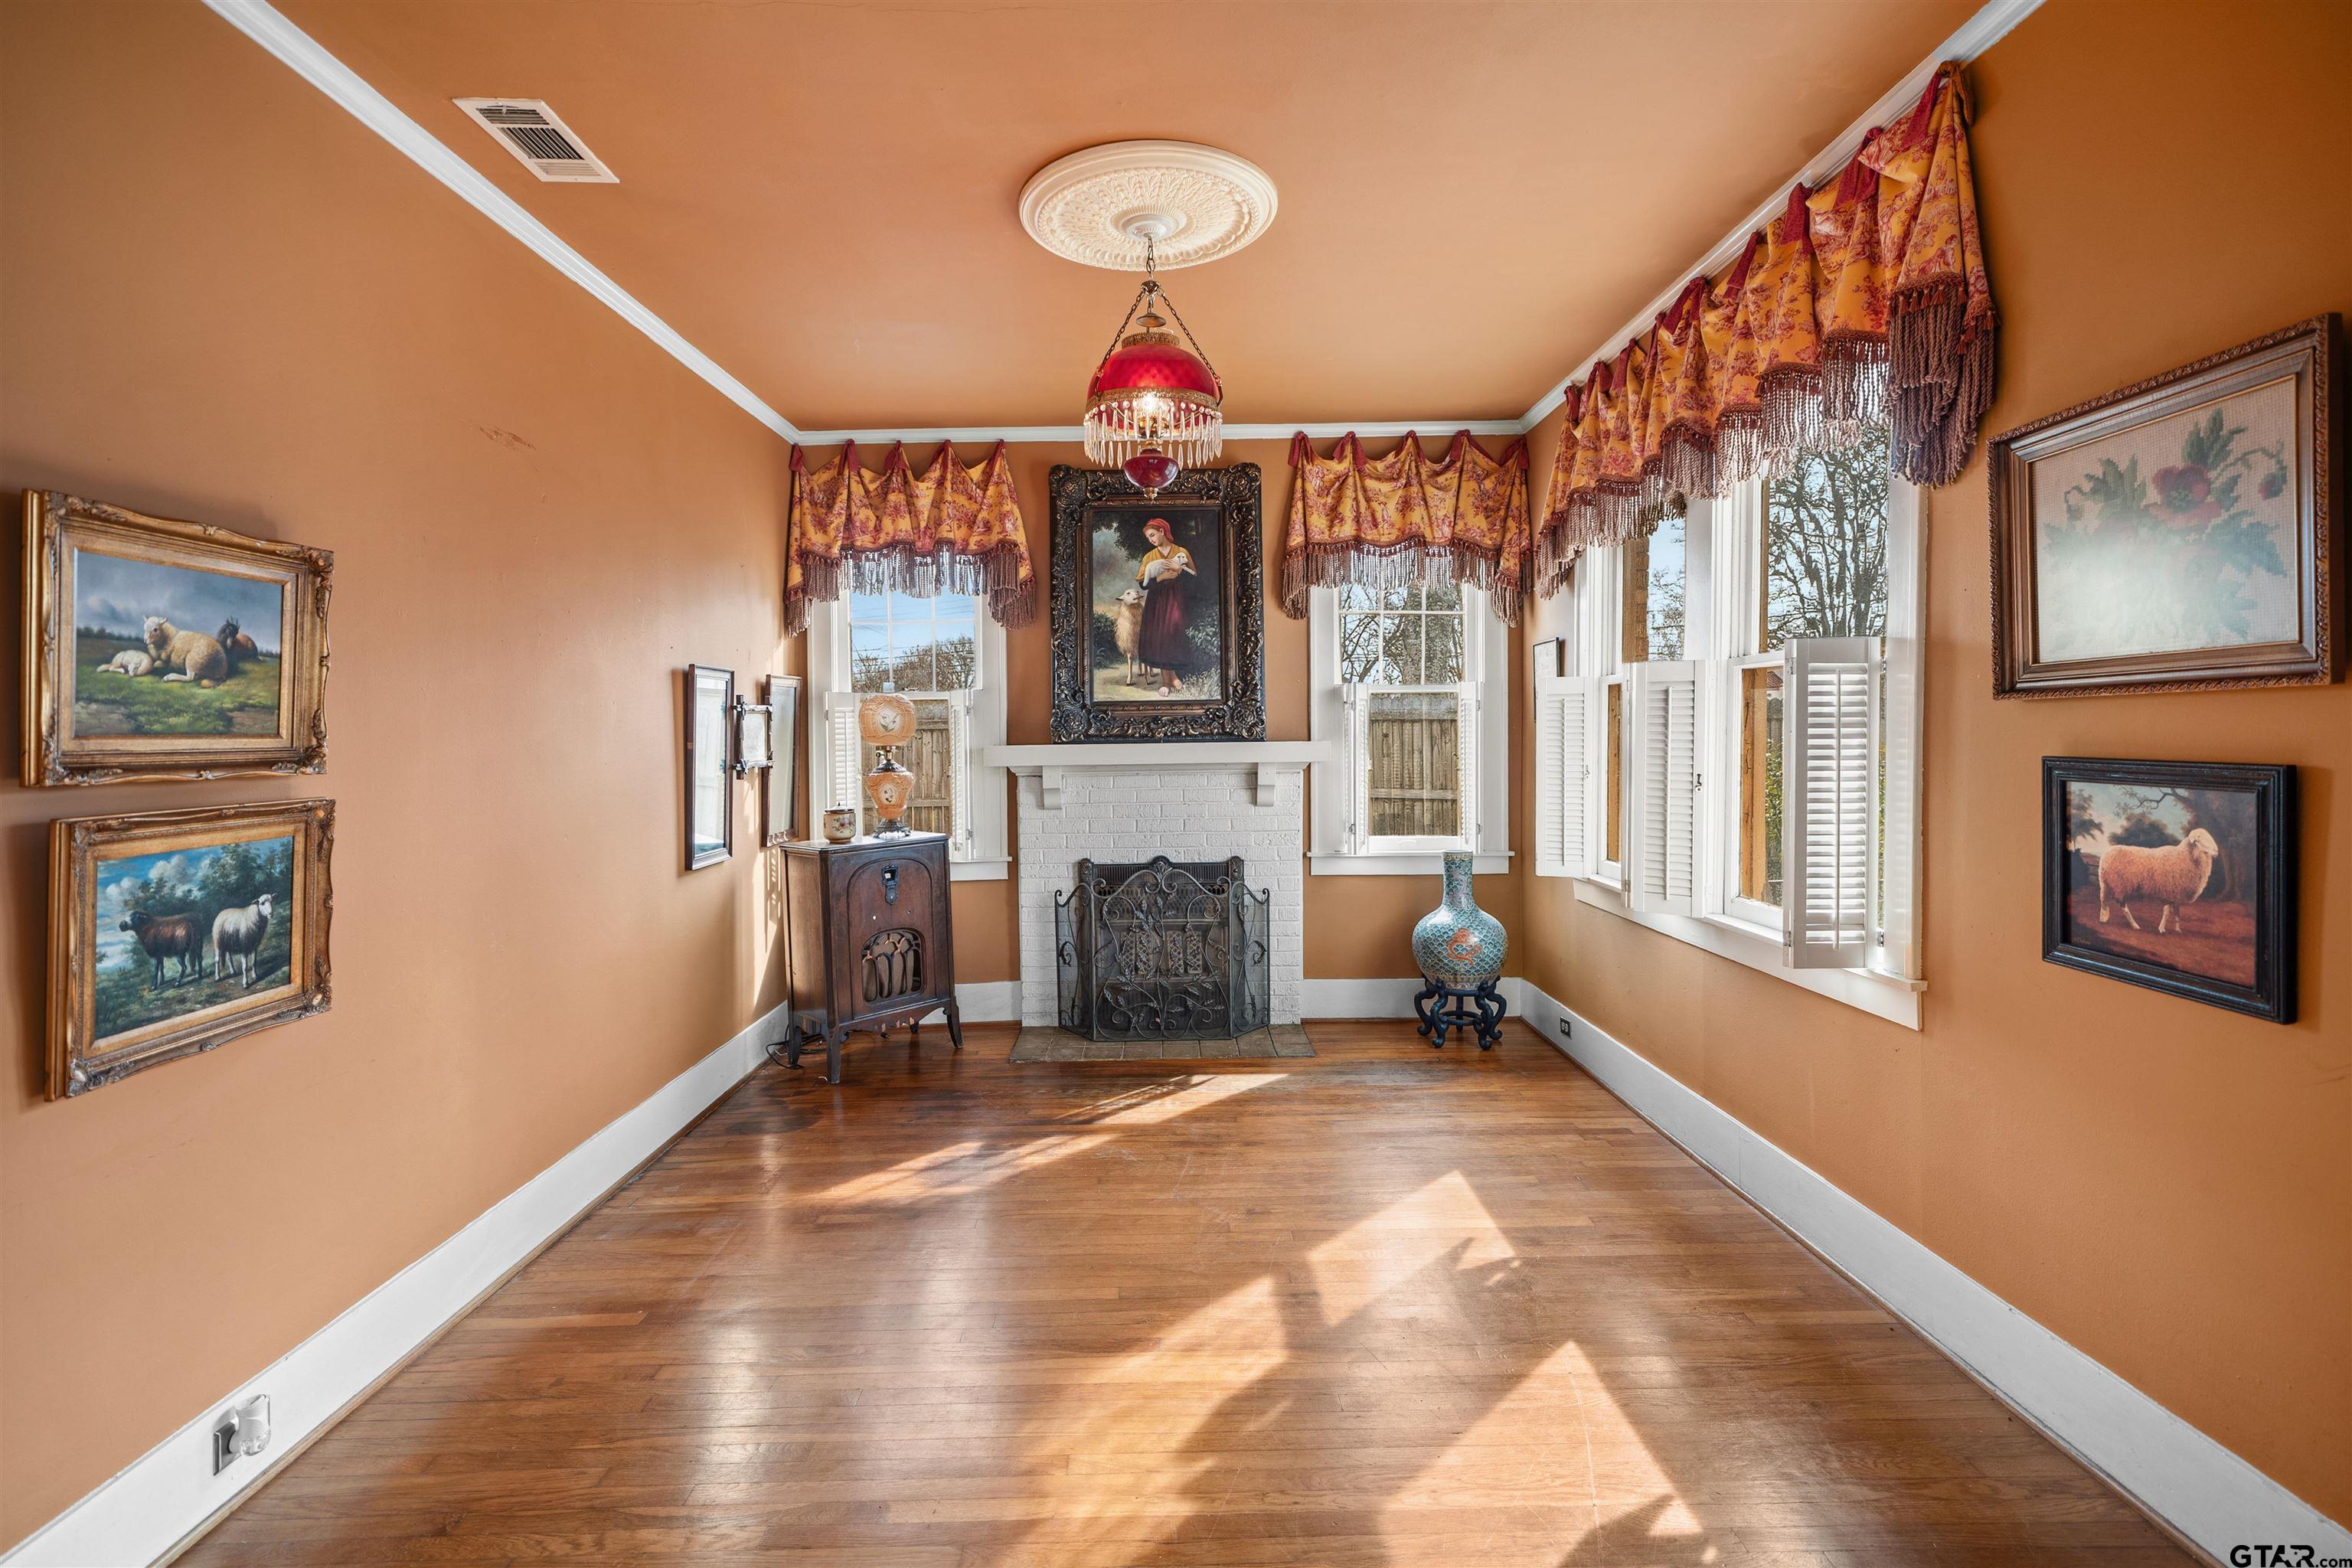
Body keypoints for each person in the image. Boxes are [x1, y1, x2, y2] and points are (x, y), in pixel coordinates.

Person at [1135, 517, 1197, 696]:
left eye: (1152, 535)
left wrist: (1179, 571)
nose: (1151, 540)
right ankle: (1168, 681)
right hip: (1157, 601)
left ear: (1162, 531)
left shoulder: (1181, 551)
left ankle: (1174, 677)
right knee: (1160, 635)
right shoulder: (1149, 556)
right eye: (1148, 538)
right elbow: (1143, 584)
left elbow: (1194, 576)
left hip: (1177, 598)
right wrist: (1161, 578)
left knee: (1173, 632)